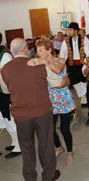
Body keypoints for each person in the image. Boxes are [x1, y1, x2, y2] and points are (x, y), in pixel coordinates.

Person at [1, 38, 61, 181]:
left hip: (21, 115)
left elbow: (6, 90)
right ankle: (49, 175)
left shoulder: (4, 69)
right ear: (25, 49)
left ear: (11, 51)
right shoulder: (38, 64)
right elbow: (56, 83)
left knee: (26, 147)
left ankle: (29, 177)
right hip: (42, 112)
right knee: (46, 144)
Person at [29, 39, 75, 166]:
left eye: (40, 50)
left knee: (65, 129)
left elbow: (58, 70)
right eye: (37, 50)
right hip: (50, 99)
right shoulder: (40, 64)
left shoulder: (60, 60)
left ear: (49, 50)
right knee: (50, 129)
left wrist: (46, 61)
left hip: (63, 99)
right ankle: (59, 147)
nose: (38, 53)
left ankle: (70, 151)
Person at [60, 22, 89, 107]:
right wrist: (61, 64)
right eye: (68, 30)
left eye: (70, 30)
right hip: (72, 65)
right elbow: (63, 54)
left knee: (83, 82)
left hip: (82, 64)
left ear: (76, 31)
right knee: (74, 82)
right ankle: (82, 98)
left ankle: (85, 100)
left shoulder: (84, 39)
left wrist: (87, 66)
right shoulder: (66, 41)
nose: (68, 32)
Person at [0, 32, 21, 159]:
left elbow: (10, 73)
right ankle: (14, 142)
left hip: (6, 92)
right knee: (5, 118)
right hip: (1, 93)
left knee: (10, 118)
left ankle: (19, 146)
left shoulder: (5, 55)